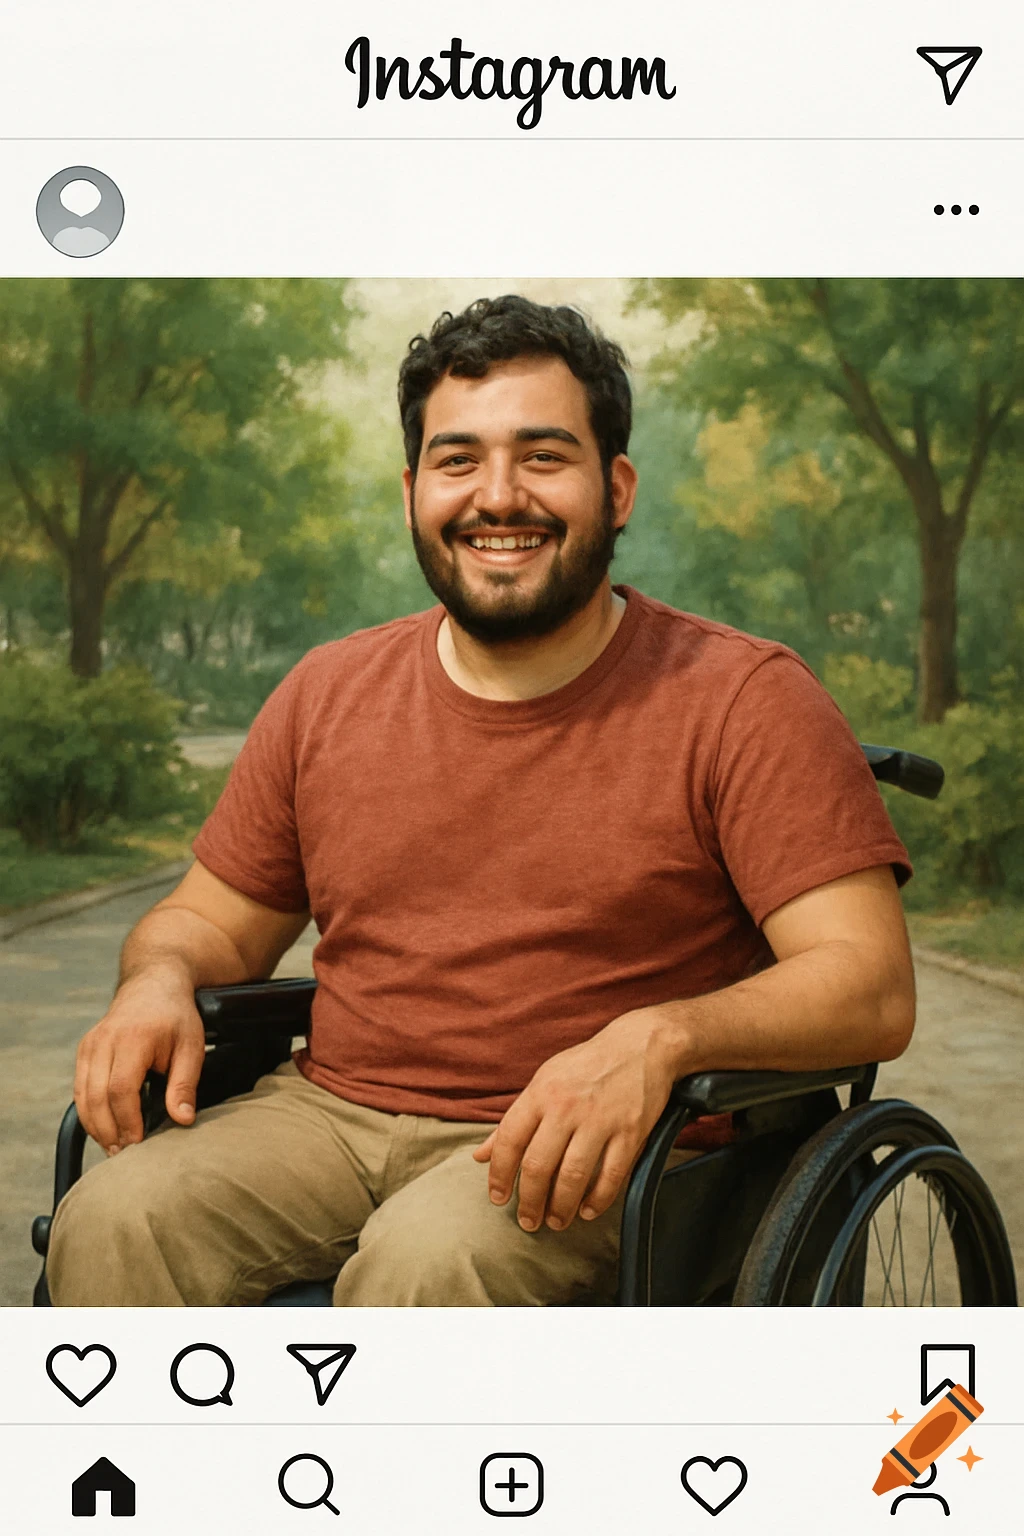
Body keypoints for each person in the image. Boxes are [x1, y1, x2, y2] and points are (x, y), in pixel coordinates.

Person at [48, 295, 915, 1306]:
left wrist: (657, 1038)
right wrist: (156, 978)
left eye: (542, 456)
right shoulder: (327, 694)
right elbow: (205, 922)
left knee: (428, 1264)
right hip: (327, 1116)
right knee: (112, 1219)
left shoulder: (741, 699)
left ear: (617, 487)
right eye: (458, 461)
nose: (497, 496)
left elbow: (867, 984)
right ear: (415, 489)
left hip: (606, 1143)